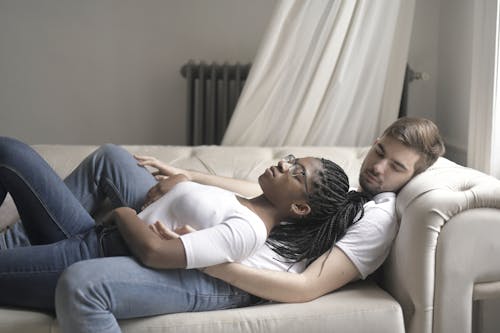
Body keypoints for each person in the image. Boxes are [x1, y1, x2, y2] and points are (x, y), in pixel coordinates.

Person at [53, 117, 445, 333]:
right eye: (379, 152)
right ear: (374, 141)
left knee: (87, 281)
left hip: (228, 275)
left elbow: (306, 288)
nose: (378, 167)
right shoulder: (349, 194)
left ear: (412, 175)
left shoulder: (377, 217)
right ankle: (19, 245)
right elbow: (263, 194)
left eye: (396, 166)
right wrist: (187, 176)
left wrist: (208, 261)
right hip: (217, 236)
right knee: (112, 160)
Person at [0, 137, 364, 312]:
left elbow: (155, 252)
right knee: (10, 153)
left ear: (300, 207)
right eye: (289, 160)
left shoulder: (250, 230)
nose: (284, 165)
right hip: (92, 236)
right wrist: (184, 181)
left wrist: (121, 213)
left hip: (98, 250)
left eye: (296, 172)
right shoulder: (247, 200)